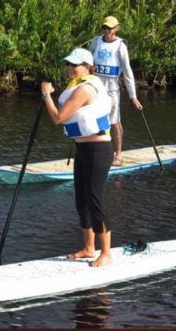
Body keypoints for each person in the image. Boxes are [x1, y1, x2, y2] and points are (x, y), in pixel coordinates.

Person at [41, 48, 113, 267]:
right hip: (82, 150)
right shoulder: (75, 87)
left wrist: (46, 95)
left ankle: (106, 253)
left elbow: (59, 118)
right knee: (81, 201)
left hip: (98, 151)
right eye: (68, 64)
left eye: (75, 65)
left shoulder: (85, 89)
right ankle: (89, 247)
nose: (70, 68)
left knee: (94, 200)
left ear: (87, 67)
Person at [90, 16, 142, 166]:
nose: (107, 31)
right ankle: (97, 152)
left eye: (110, 28)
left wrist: (133, 97)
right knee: (94, 118)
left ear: (116, 28)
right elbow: (88, 61)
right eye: (104, 28)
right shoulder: (96, 41)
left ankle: (118, 154)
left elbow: (127, 72)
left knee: (114, 121)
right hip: (96, 87)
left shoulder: (120, 46)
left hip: (112, 88)